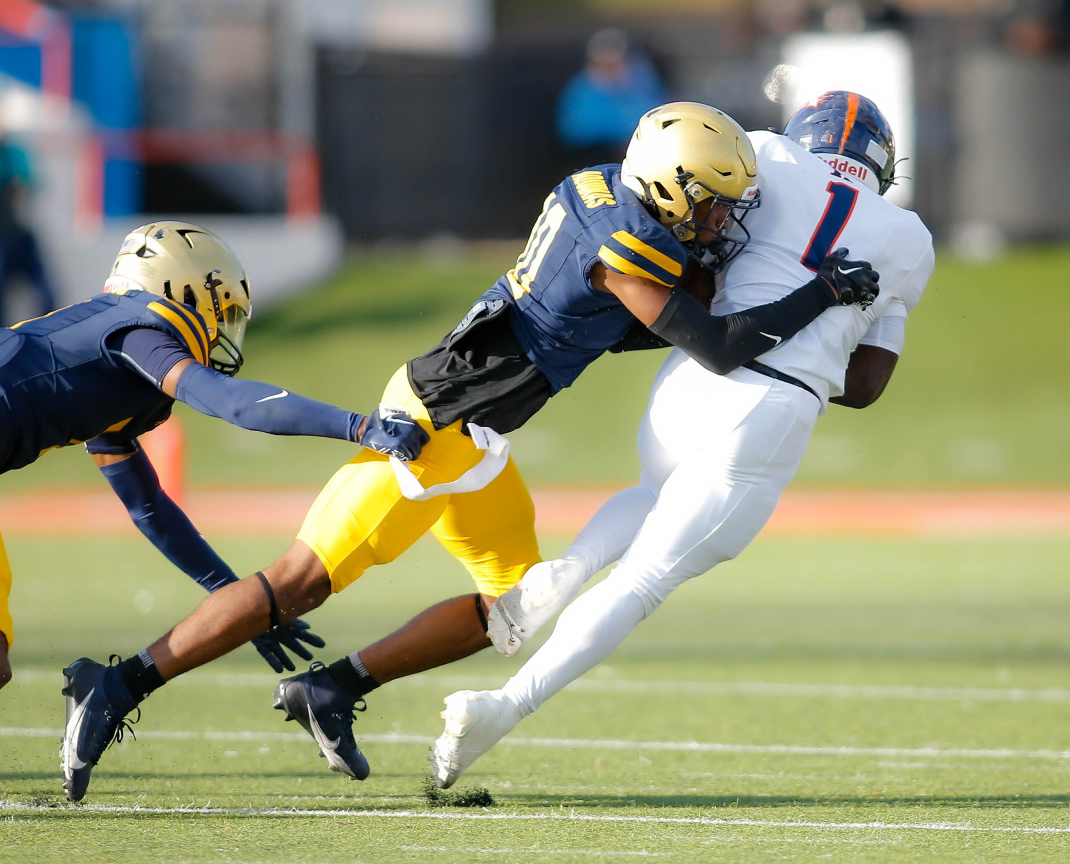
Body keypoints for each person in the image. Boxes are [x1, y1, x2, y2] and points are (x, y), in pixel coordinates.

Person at [59, 102, 880, 801]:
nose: (717, 218)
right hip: (430, 423)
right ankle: (120, 682)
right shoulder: (625, 242)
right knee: (298, 582)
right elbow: (716, 343)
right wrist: (823, 292)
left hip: (480, 438)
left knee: (513, 611)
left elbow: (617, 326)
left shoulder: (604, 191)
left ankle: (333, 687)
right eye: (709, 202)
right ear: (669, 184)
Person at [428, 90, 935, 789]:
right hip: (773, 406)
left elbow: (711, 244)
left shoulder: (763, 153)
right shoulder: (908, 237)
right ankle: (502, 708)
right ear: (881, 164)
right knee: (643, 584)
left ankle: (563, 574)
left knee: (648, 491)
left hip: (689, 379)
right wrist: (819, 352)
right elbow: (869, 384)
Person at [0, 220, 427, 696]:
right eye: (220, 310)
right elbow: (232, 402)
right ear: (178, 289)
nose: (223, 327)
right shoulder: (138, 331)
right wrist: (359, 426)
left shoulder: (111, 370)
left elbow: (149, 507)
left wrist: (236, 600)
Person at [555, 28, 668, 172]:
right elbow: (576, 131)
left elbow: (659, 110)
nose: (614, 67)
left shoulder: (641, 81)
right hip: (597, 158)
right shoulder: (583, 90)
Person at [0, 128, 58, 325]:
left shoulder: (15, 152)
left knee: (46, 292)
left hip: (19, 233)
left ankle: (49, 332)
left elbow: (30, 182)